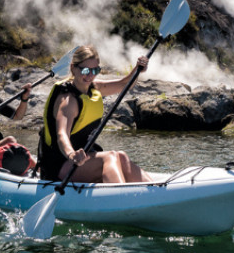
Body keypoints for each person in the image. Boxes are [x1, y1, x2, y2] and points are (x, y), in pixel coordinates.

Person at [38, 44, 151, 183]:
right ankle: (121, 197)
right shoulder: (68, 101)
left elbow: (124, 84)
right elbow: (62, 135)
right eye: (86, 70)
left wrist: (138, 69)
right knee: (110, 157)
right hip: (60, 164)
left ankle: (157, 190)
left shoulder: (93, 87)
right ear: (73, 68)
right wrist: (72, 154)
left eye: (95, 70)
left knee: (120, 156)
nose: (90, 75)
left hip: (82, 159)